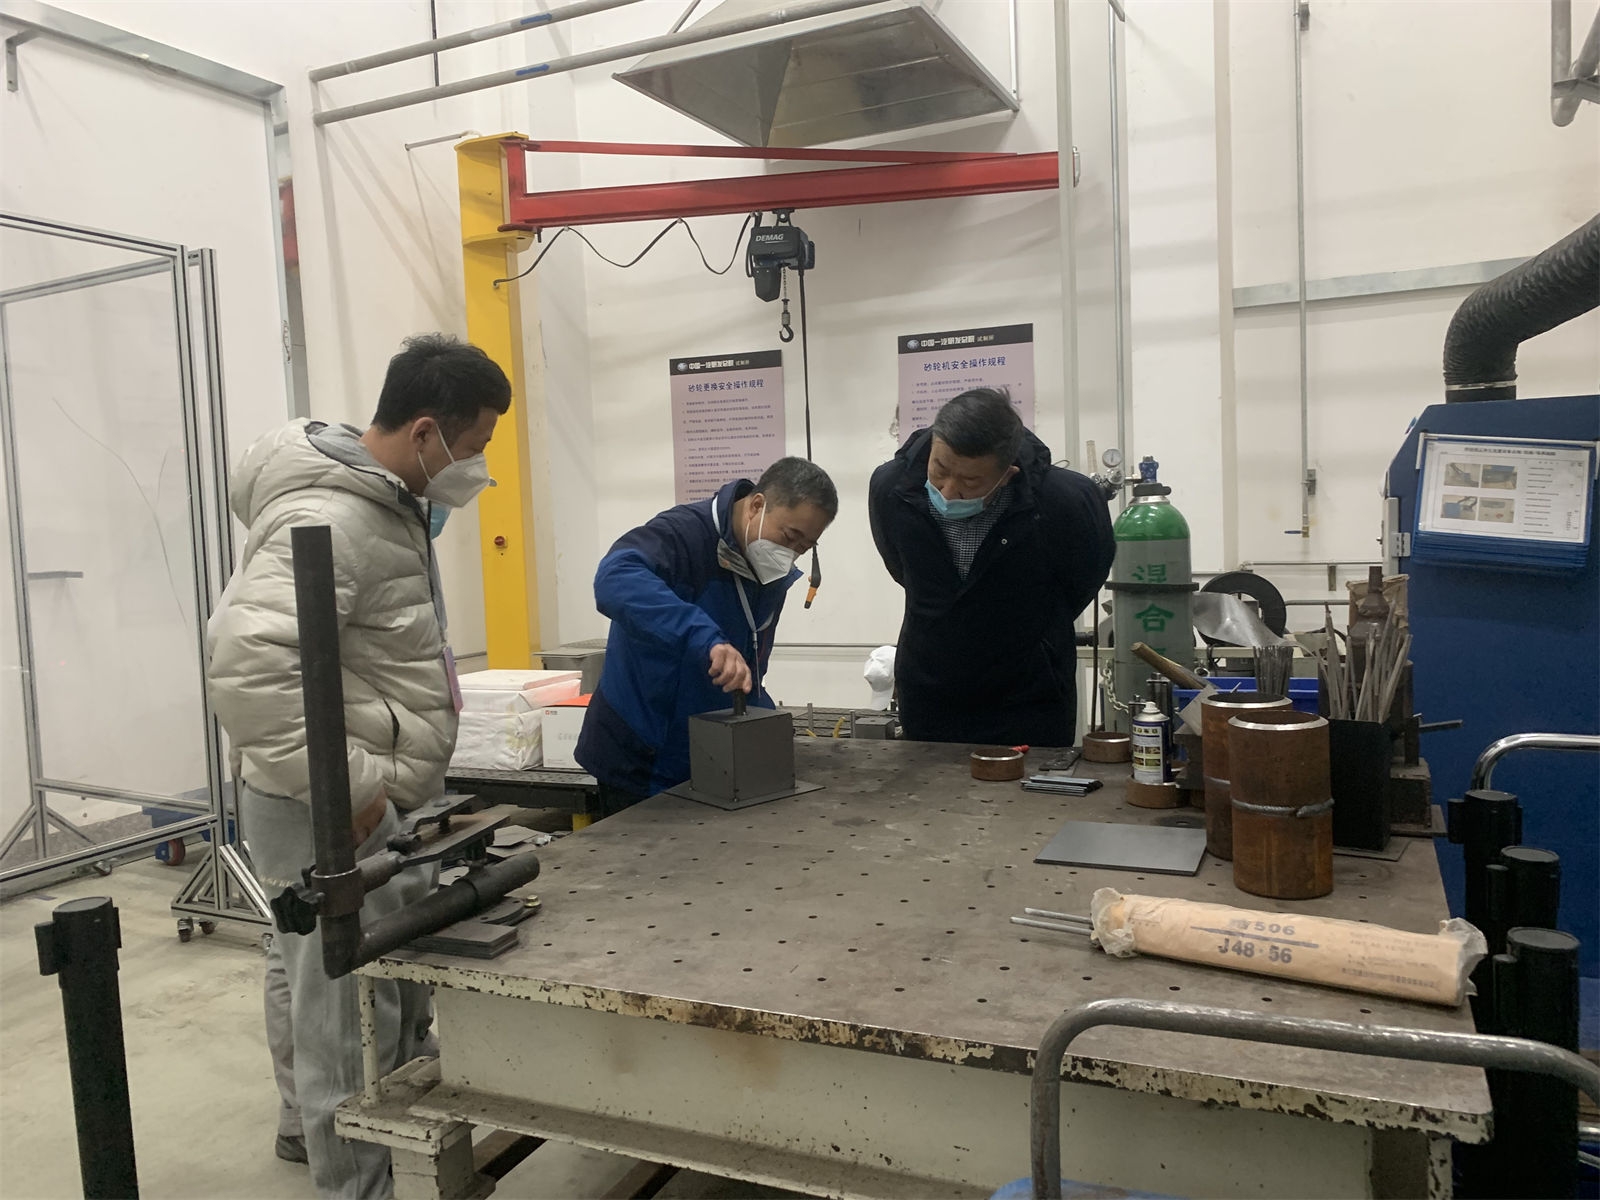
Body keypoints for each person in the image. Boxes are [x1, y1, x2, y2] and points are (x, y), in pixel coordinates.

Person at [207, 334, 510, 1198]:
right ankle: (360, 1187)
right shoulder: (334, 519)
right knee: (349, 1010)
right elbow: (247, 667)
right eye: (476, 445)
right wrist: (359, 789)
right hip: (328, 800)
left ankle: (326, 1139)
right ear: (426, 432)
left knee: (326, 979)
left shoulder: (383, 504)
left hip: (349, 788)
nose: (479, 468)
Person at [576, 457, 838, 812]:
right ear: (757, 506)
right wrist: (702, 636)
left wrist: (762, 720)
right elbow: (614, 578)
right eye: (790, 537)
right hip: (642, 760)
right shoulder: (681, 536)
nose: (790, 555)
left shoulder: (768, 567)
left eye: (804, 547)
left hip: (711, 761)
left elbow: (747, 659)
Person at [868, 387, 1114, 747]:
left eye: (970, 482)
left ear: (1007, 473)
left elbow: (1084, 578)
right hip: (929, 692)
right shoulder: (892, 488)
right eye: (939, 470)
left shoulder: (1065, 502)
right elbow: (900, 567)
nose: (948, 491)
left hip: (1030, 698)